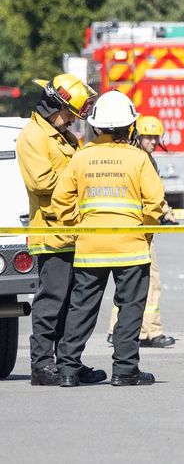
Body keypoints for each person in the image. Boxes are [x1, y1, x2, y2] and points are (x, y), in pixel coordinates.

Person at [52, 91, 165, 387]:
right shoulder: (139, 158)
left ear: (95, 126)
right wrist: (146, 231)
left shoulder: (82, 156)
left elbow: (60, 200)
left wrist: (76, 226)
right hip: (131, 247)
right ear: (130, 126)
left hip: (91, 246)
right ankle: (125, 370)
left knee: (82, 307)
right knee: (129, 308)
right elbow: (156, 202)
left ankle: (67, 369)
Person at [15, 73, 106, 387]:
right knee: (51, 302)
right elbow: (41, 182)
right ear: (55, 106)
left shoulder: (65, 137)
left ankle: (69, 363)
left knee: (72, 305)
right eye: (70, 114)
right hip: (52, 233)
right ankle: (42, 366)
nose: (72, 122)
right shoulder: (33, 137)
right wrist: (77, 175)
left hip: (74, 232)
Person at [106, 115, 176, 349]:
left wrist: (166, 210)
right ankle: (153, 332)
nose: (153, 141)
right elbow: (152, 195)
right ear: (137, 135)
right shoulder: (141, 161)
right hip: (140, 231)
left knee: (127, 284)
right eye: (148, 136)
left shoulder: (134, 158)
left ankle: (115, 329)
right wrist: (162, 213)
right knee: (151, 283)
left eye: (156, 137)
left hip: (128, 230)